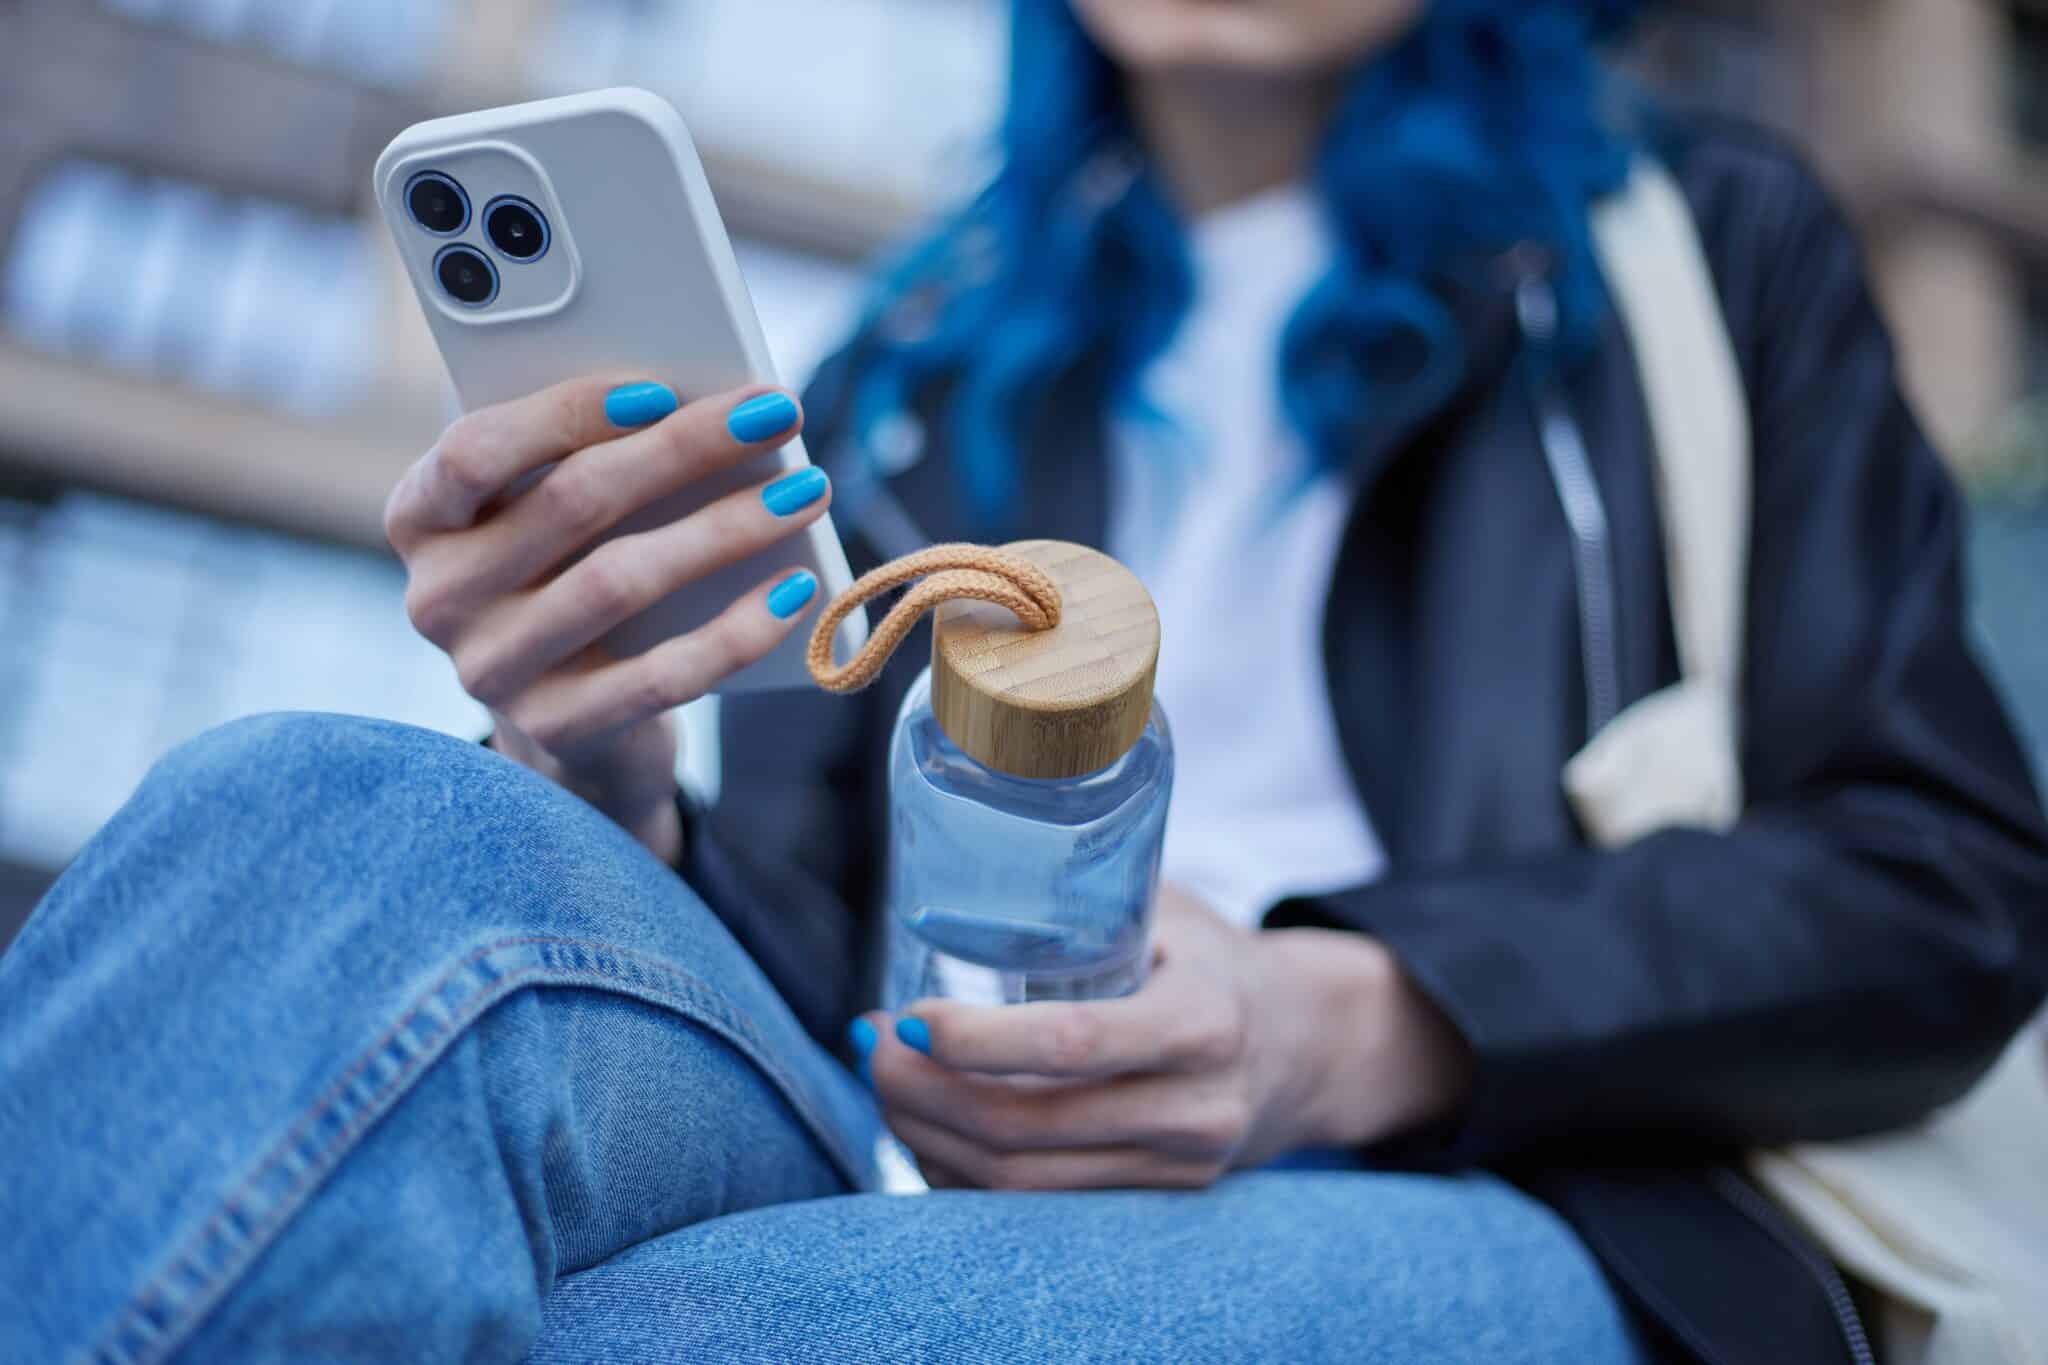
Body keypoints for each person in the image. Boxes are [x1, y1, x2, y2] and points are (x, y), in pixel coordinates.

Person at [3, 1, 2045, 1361]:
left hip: (1524, 1190)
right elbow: (804, 975)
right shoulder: (918, 370)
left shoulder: (1692, 247)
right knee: (323, 803)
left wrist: (1342, 1018)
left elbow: (1939, 878)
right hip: (910, 1152)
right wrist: (609, 762)